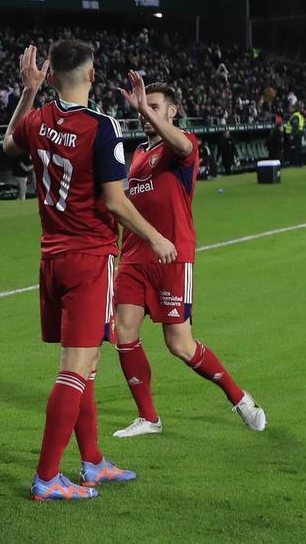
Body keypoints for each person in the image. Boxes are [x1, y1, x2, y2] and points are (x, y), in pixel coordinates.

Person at [2, 42, 176, 501]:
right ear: (93, 74)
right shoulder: (102, 126)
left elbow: (7, 142)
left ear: (51, 76)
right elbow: (115, 201)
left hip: (53, 257)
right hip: (90, 258)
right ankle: (46, 477)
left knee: (89, 363)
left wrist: (28, 92)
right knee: (74, 370)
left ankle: (94, 462)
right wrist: (156, 236)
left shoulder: (38, 119)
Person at [112, 78, 266, 438]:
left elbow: (179, 142)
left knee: (179, 344)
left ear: (172, 111)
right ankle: (148, 417)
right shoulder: (137, 155)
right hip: (133, 256)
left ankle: (240, 398)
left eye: (154, 107)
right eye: (142, 107)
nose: (146, 114)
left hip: (172, 257)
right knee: (124, 332)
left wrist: (140, 106)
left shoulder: (181, 146)